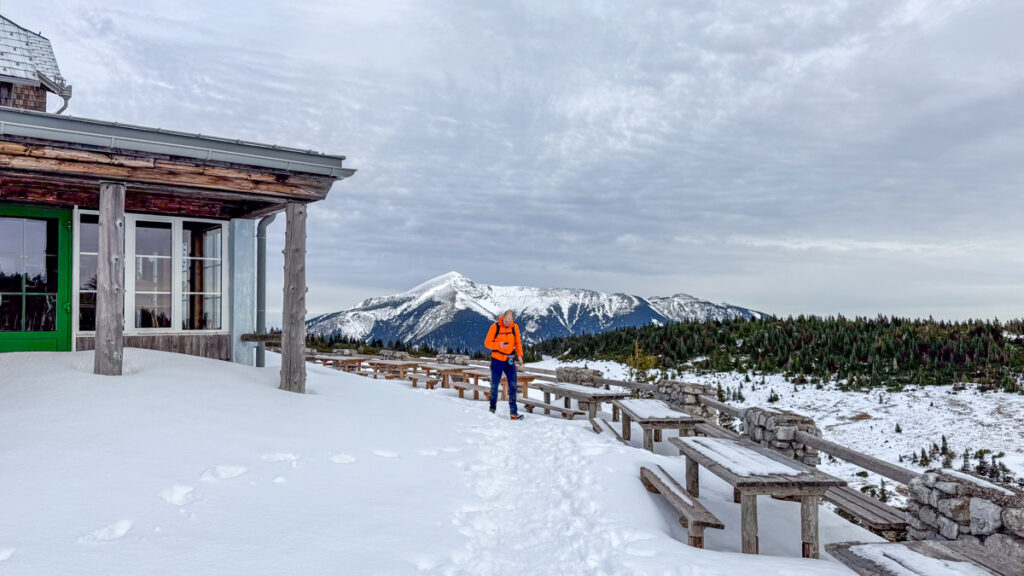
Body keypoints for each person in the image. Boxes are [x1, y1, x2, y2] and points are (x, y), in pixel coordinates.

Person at [484, 310, 524, 419]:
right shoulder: (495, 327)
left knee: (513, 385)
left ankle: (513, 412)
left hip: (509, 360)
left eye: (509, 321)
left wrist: (520, 355)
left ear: (512, 320)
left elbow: (517, 342)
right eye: (505, 321)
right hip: (497, 360)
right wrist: (498, 345)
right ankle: (492, 408)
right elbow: (487, 343)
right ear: (502, 318)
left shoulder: (515, 328)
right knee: (494, 385)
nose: (507, 323)